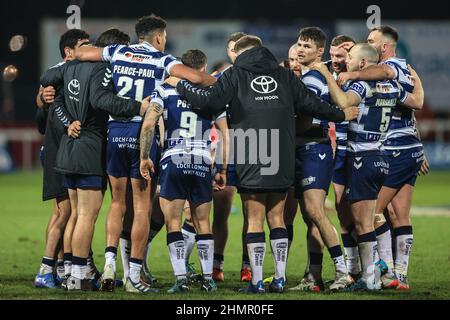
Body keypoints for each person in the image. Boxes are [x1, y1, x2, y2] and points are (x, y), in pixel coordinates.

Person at [167, 35, 358, 293]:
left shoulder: (235, 74)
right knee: (277, 217)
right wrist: (340, 115)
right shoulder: (285, 75)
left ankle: (257, 281)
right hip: (281, 150)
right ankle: (278, 278)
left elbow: (209, 101)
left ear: (242, 53)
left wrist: (181, 86)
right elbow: (312, 106)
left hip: (251, 146)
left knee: (254, 218)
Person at [75, 14, 216, 293]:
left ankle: (110, 266)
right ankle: (134, 277)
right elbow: (199, 78)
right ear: (160, 37)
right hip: (143, 135)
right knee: (141, 208)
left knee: (117, 203)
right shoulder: (163, 60)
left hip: (115, 132)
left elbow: (81, 53)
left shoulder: (117, 51)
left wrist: (96, 56)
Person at [41, 29, 151, 291]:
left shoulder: (69, 67)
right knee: (86, 216)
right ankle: (79, 276)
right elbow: (101, 100)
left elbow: (49, 84)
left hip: (69, 147)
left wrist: (67, 121)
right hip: (89, 147)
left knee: (75, 214)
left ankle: (69, 271)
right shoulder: (101, 69)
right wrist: (139, 107)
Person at [313, 42, 423, 291]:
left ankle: (370, 278)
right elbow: (416, 101)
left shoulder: (362, 85)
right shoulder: (393, 86)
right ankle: (378, 272)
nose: (348, 60)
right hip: (382, 157)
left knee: (363, 223)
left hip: (362, 158)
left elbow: (344, 102)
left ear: (363, 63)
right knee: (369, 218)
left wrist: (326, 75)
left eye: (350, 56)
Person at [140, 49, 229, 293]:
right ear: (203, 67)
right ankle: (208, 279)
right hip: (201, 159)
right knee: (203, 223)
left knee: (173, 222)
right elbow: (225, 133)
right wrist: (222, 167)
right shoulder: (213, 92)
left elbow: (148, 124)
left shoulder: (164, 89)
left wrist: (145, 157)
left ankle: (180, 279)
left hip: (173, 159)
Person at [289, 27, 352, 292]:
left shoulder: (313, 77)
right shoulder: (310, 75)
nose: (301, 49)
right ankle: (314, 276)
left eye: (307, 46)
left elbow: (305, 114)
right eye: (299, 44)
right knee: (309, 216)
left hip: (315, 147)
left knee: (315, 211)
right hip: (304, 148)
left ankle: (343, 271)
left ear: (319, 52)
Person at [33, 29, 90, 289]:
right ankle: (48, 269)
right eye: (84, 45)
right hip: (58, 149)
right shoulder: (59, 72)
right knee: (64, 211)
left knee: (70, 212)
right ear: (69, 51)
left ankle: (61, 266)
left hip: (66, 149)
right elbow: (43, 120)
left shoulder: (74, 70)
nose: (90, 49)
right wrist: (42, 102)